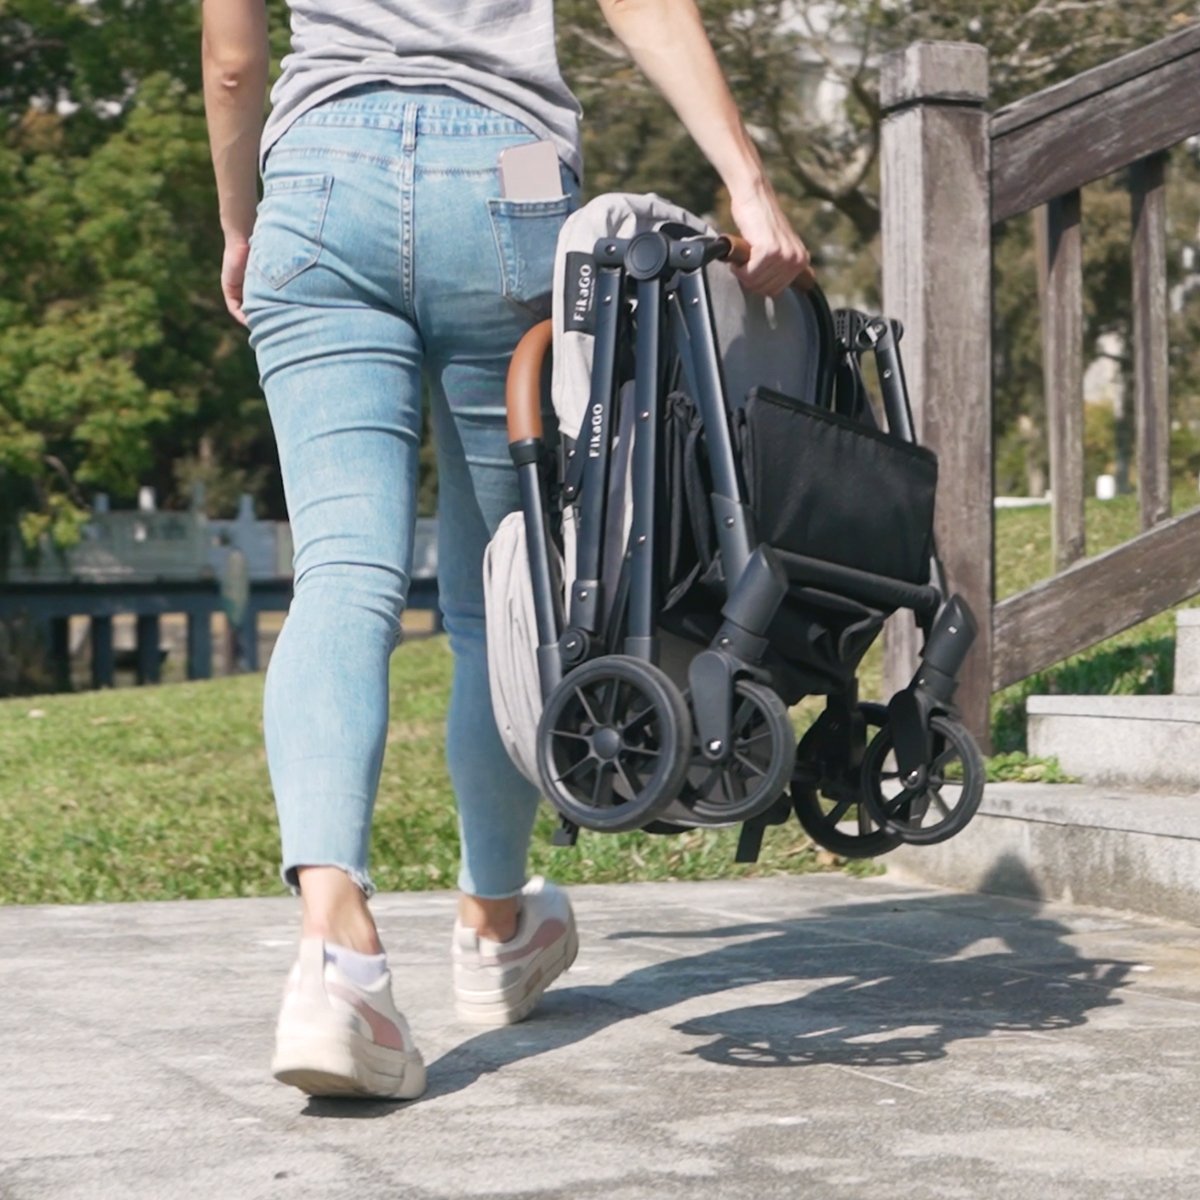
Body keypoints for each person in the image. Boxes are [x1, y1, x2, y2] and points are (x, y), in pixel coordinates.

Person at [201, 0, 813, 1101]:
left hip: (317, 172)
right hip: (511, 168)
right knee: (507, 589)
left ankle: (334, 955)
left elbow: (235, 63)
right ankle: (493, 924)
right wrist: (747, 178)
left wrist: (243, 219)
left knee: (344, 571)